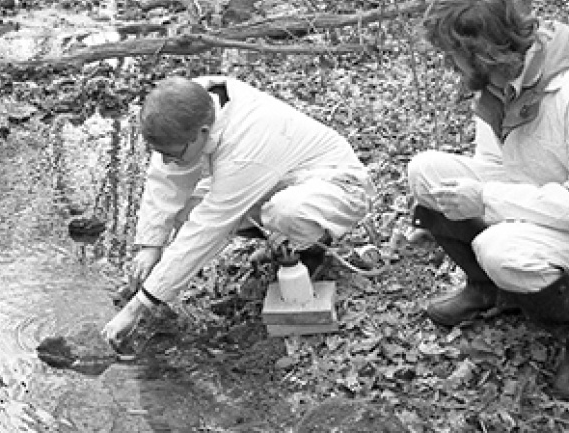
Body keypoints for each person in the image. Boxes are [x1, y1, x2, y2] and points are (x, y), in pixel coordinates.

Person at [407, 0, 569, 399]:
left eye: (454, 57)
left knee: (501, 248)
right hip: (538, 206)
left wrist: (485, 200)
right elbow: (497, 169)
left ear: (483, 52)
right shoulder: (498, 88)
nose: (451, 67)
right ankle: (489, 289)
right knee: (427, 171)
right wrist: (469, 198)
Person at [103, 75, 374, 351]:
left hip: (338, 187)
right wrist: (151, 245)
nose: (166, 161)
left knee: (284, 212)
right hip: (276, 179)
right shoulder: (185, 104)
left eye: (173, 153)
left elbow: (208, 228)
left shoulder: (243, 145)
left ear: (203, 133)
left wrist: (138, 306)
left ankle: (311, 250)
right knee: (187, 208)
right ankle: (283, 240)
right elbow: (165, 181)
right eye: (159, 152)